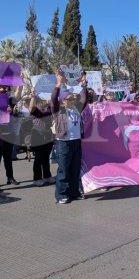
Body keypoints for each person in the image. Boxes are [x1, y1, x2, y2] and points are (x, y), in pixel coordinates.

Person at [51, 71, 88, 204]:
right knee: (64, 170)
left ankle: (74, 192)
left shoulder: (77, 109)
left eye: (72, 98)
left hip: (76, 142)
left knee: (75, 168)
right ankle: (61, 195)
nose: (71, 100)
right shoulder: (58, 111)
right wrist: (58, 84)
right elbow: (53, 100)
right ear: (63, 101)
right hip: (63, 143)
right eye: (68, 99)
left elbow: (84, 99)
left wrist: (83, 85)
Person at [28, 93, 54, 186]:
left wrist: (51, 100)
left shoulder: (50, 106)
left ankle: (47, 175)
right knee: (38, 158)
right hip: (37, 134)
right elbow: (31, 109)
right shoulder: (36, 106)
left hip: (48, 134)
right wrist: (33, 97)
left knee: (46, 157)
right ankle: (37, 178)